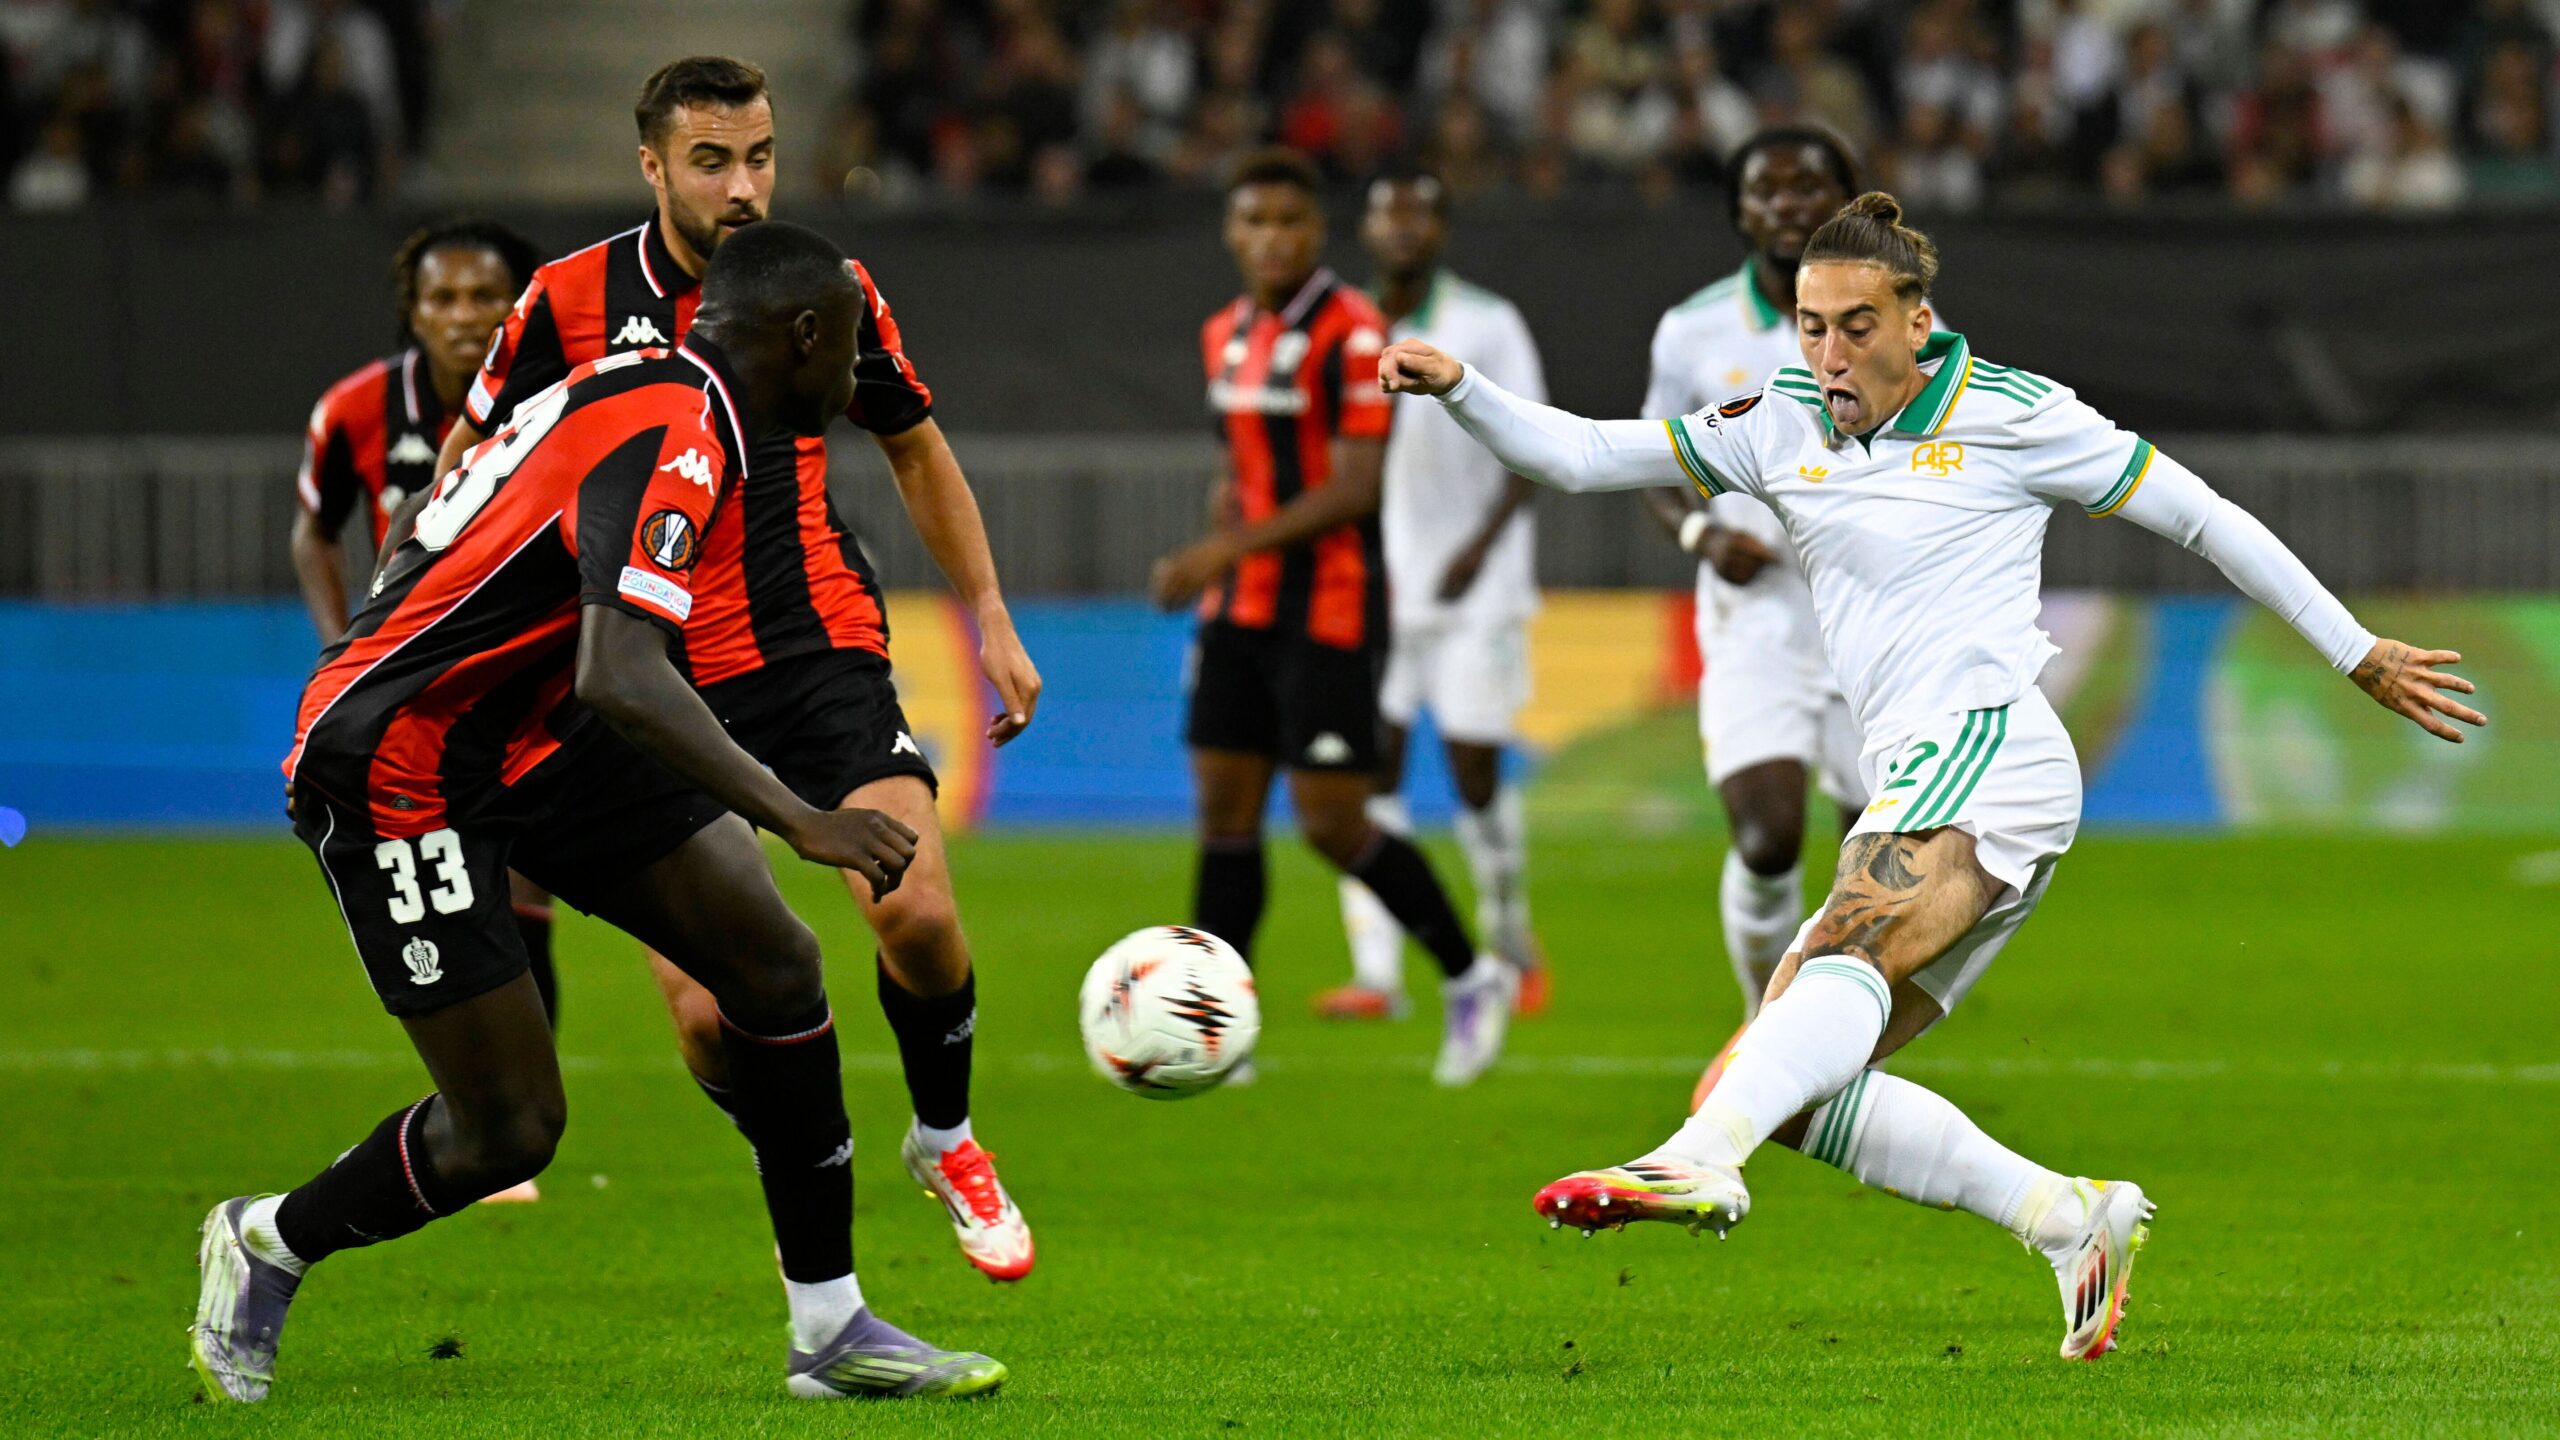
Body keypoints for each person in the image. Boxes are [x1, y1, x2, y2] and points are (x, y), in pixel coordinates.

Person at [1380, 192, 2483, 1358]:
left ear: (1917, 320)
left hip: (1988, 744)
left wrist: (2353, 650)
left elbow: (2202, 518)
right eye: (1810, 325)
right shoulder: (1778, 419)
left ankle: (1693, 1162)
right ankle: (2064, 1216)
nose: (1828, 353)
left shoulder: (2015, 412)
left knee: (1831, 970)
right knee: (1780, 1082)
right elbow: (1583, 454)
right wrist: (1461, 387)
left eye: (1856, 326)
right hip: (1924, 767)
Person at [191, 222, 1008, 1404]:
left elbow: (471, 548)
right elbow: (619, 669)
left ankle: (831, 1331)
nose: (855, 376)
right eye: (848, 350)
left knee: (775, 966)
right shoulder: (680, 424)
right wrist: (802, 816)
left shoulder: (646, 386)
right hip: (404, 763)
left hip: (530, 728)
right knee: (510, 1131)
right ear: (806, 337)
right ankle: (269, 1239)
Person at [416, 57, 1041, 1279]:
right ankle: (804, 1151)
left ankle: (947, 1139)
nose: (743, 187)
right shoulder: (566, 300)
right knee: (709, 1017)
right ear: (652, 166)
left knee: (915, 910)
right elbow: (469, 465)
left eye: (758, 156)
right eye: (711, 162)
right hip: (646, 679)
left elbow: (914, 446)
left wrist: (989, 612)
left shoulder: (823, 287)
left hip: (812, 647)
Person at [1149, 147, 1515, 1087]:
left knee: (1332, 824)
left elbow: (1356, 488)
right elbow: (1239, 464)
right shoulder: (1223, 332)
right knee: (1224, 815)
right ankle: (1217, 1030)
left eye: (1289, 221)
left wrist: (1219, 551)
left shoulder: (1356, 334)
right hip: (1240, 611)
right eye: (1254, 221)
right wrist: (1221, 541)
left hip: (1331, 610)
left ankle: (1471, 975)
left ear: (1317, 231)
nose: (1272, 238)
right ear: (1231, 232)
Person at [1638, 129, 1930, 1112]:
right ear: (1737, 210)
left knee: (1871, 870)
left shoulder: (1903, 319)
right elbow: (1655, 464)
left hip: (1869, 632)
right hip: (1754, 625)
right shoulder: (1691, 331)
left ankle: (1838, 1056)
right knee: (1766, 838)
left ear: (1850, 198)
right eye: (1765, 189)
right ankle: (1759, 1026)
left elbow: (1940, 455)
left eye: (1809, 185)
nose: (1786, 203)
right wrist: (1699, 535)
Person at [291, 224, 562, 1194]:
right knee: (463, 896)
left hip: (524, 688)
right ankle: (492, 1111)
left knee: (526, 889)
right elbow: (314, 530)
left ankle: (517, 1117)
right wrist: (344, 644)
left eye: (486, 297)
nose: (464, 318)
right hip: (410, 707)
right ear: (411, 312)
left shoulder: (557, 396)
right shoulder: (356, 410)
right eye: (442, 299)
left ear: (520, 307)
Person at [1320, 169, 1550, 1024]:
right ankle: (1378, 973)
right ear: (1367, 228)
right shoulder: (1344, 326)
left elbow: (1533, 443)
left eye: (1418, 213)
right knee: (1365, 772)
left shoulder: (1488, 322)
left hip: (1475, 591)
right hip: (1374, 591)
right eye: (1388, 213)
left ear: (1441, 229)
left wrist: (1477, 551)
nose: (1403, 227)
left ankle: (1509, 935)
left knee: (1473, 772)